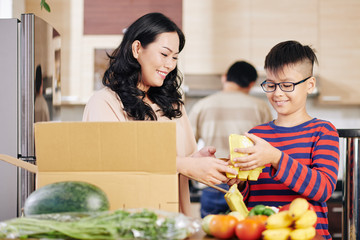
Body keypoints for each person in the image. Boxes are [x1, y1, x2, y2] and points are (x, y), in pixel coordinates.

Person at [82, 12, 237, 216]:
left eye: (174, 57)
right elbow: (114, 162)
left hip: (175, 223)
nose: (170, 64)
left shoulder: (172, 105)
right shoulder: (105, 102)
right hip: (128, 224)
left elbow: (182, 162)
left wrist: (199, 160)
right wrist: (186, 164)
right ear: (137, 49)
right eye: (164, 54)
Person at [230, 40, 339, 240]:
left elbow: (323, 189)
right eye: (271, 85)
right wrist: (238, 182)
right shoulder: (257, 134)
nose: (277, 93)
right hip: (262, 235)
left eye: (287, 85)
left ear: (310, 85)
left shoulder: (323, 131)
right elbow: (249, 199)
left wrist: (276, 158)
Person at [188, 61, 273, 217]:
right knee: (246, 232)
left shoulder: (202, 105)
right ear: (252, 83)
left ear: (225, 77)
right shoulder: (260, 107)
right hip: (246, 185)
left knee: (212, 231)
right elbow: (267, 149)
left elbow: (187, 146)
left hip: (212, 182)